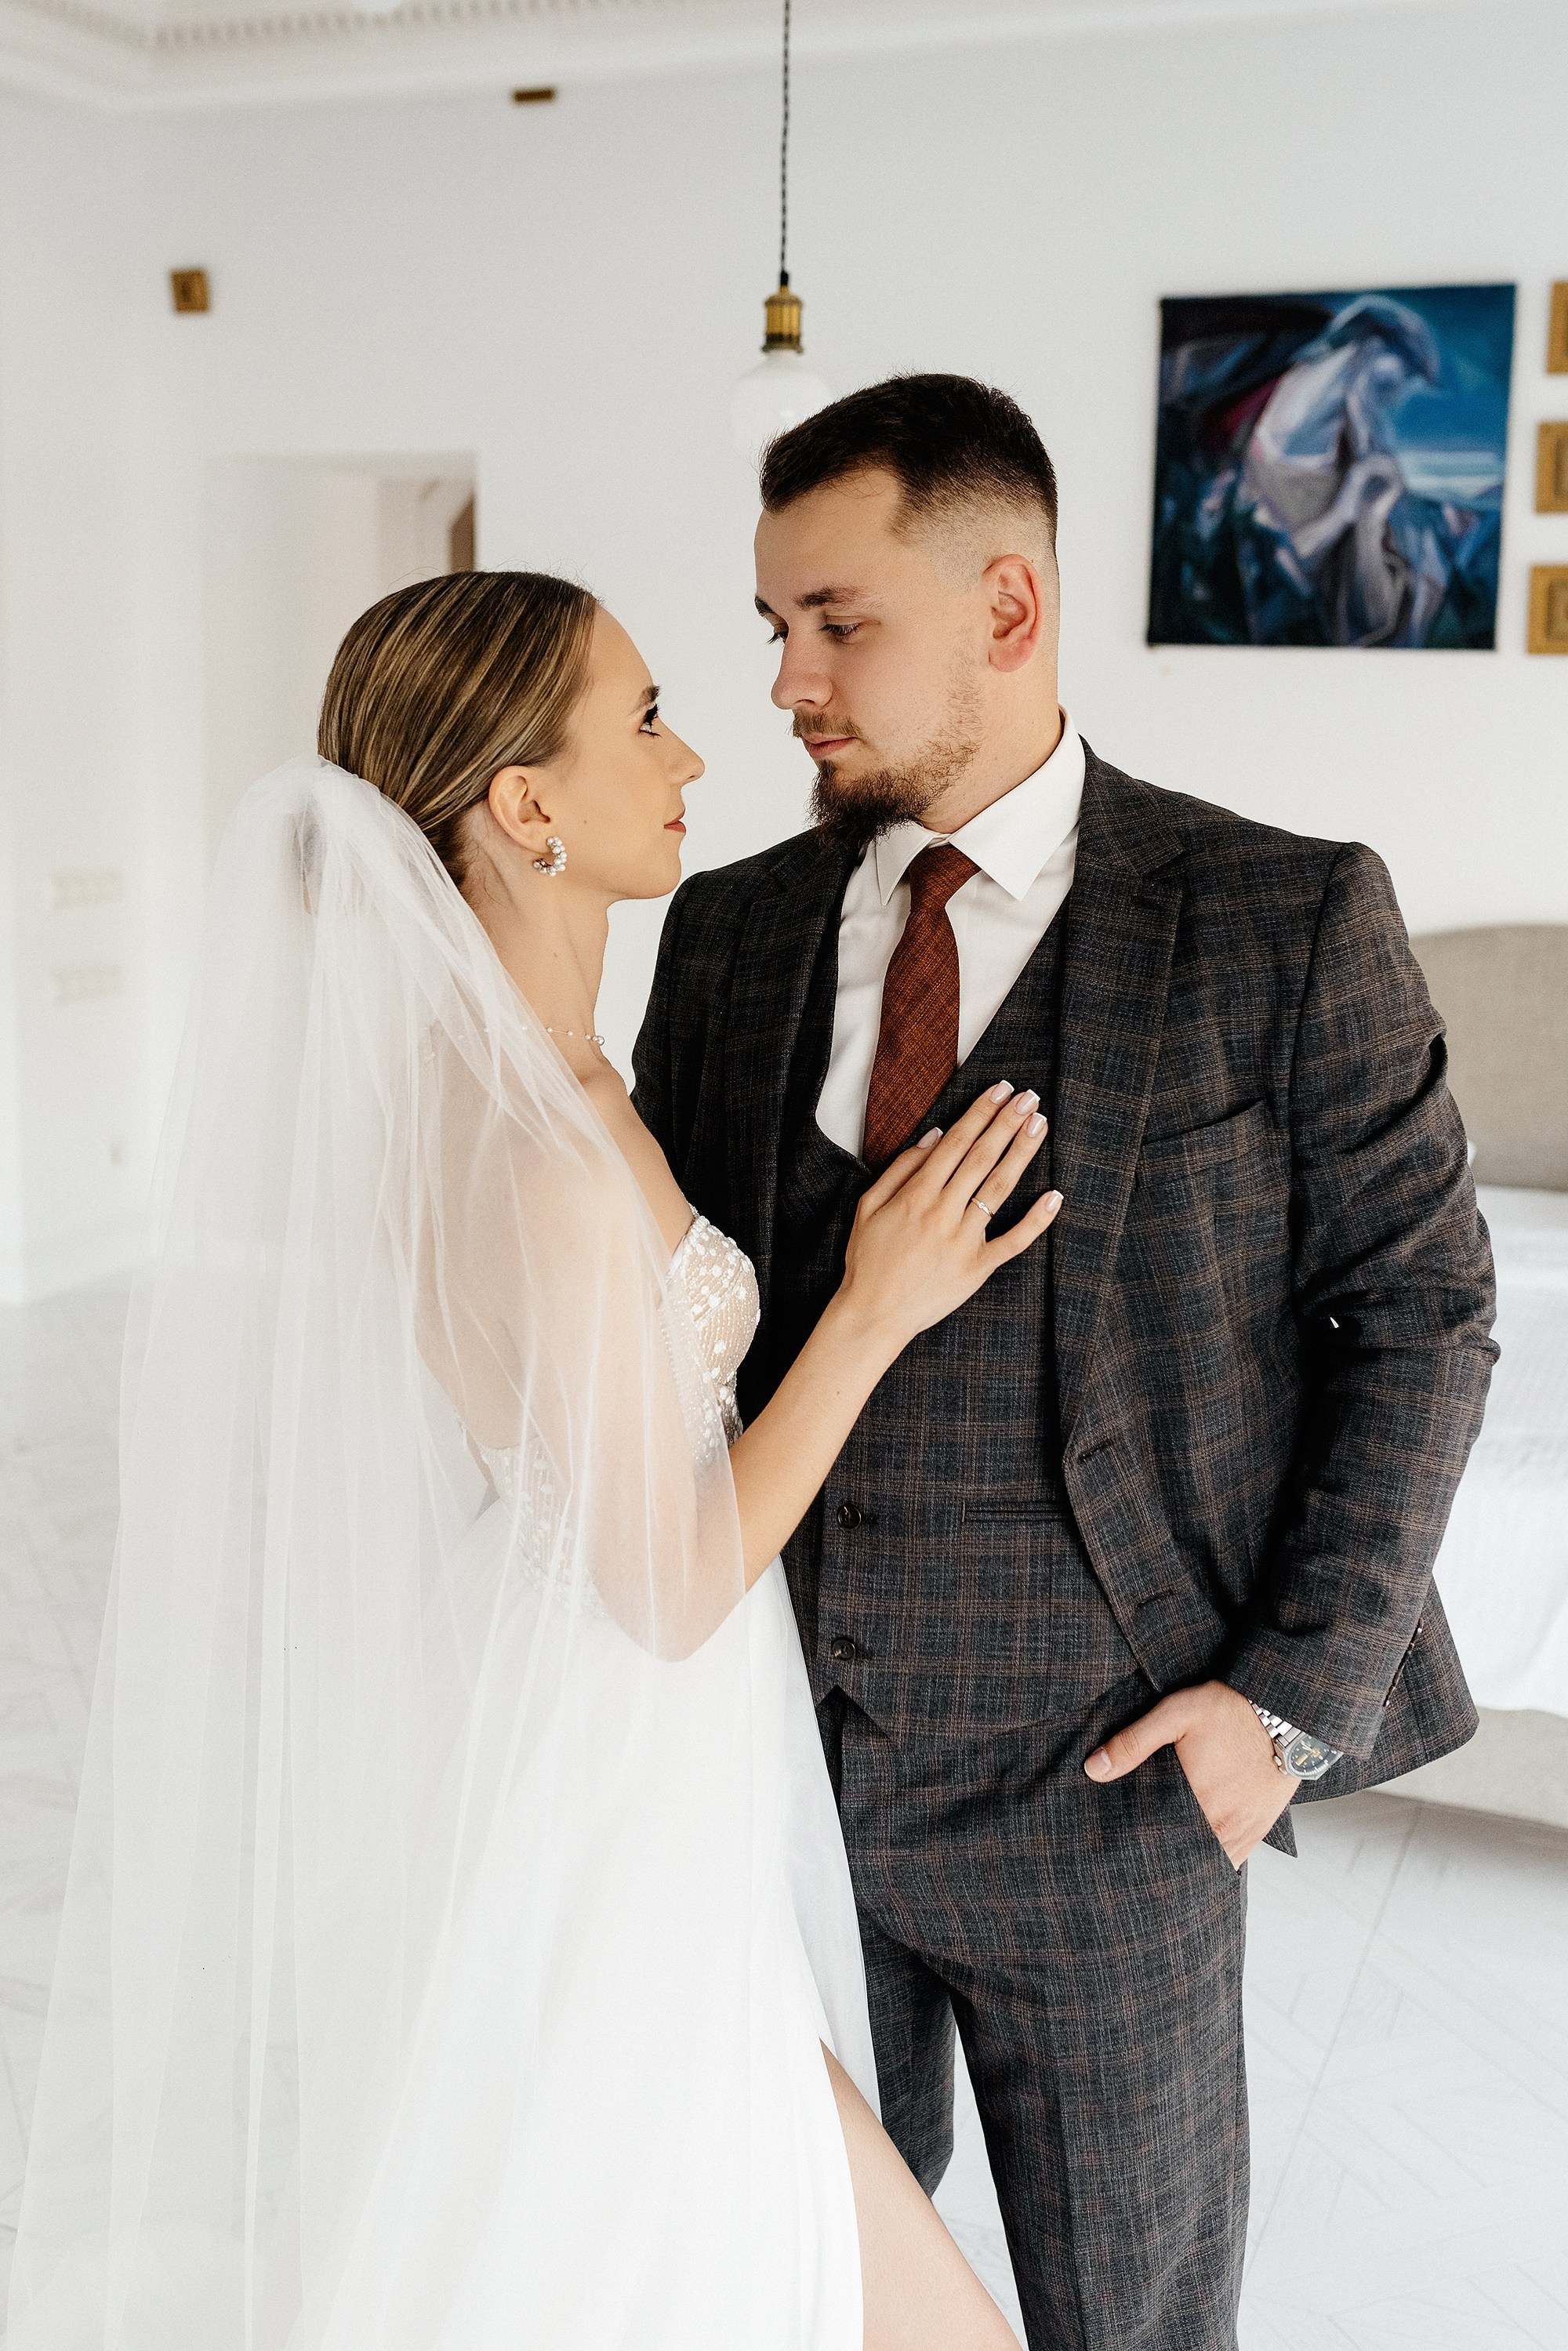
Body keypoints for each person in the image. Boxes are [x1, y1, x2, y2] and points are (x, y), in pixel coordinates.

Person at [7, 571, 1057, 2350]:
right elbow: (664, 1587)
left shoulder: (553, 1089)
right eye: (643, 718)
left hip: (624, 1783)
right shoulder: (536, 1157)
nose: (694, 753)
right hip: (598, 1802)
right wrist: (872, 1314)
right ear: (523, 804)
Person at [632, 373, 1498, 2351]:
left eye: (836, 622)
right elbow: (665, 1322)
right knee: (809, 2289)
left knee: (1134, 2313)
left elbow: (1421, 1320)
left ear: (1007, 607)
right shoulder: (728, 936)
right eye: (773, 625)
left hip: (1110, 1794)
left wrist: (1276, 1708)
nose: (785, 683)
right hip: (775, 1780)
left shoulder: (1282, 915)